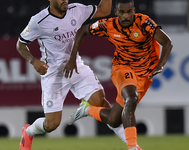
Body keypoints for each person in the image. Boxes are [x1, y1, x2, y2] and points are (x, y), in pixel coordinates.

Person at [15, 0, 128, 150]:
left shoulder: (77, 9)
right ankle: (28, 132)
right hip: (54, 74)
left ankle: (133, 146)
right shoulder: (38, 21)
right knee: (51, 124)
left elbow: (104, 10)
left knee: (102, 103)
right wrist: (33, 61)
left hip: (76, 67)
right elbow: (20, 44)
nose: (65, 1)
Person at [64, 0, 173, 150]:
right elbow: (82, 30)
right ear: (116, 12)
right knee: (131, 98)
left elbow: (167, 43)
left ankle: (87, 109)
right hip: (122, 68)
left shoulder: (144, 22)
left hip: (144, 75)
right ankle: (132, 147)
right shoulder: (108, 25)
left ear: (134, 10)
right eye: (122, 12)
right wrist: (72, 58)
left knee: (114, 120)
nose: (126, 16)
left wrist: (160, 65)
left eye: (129, 11)